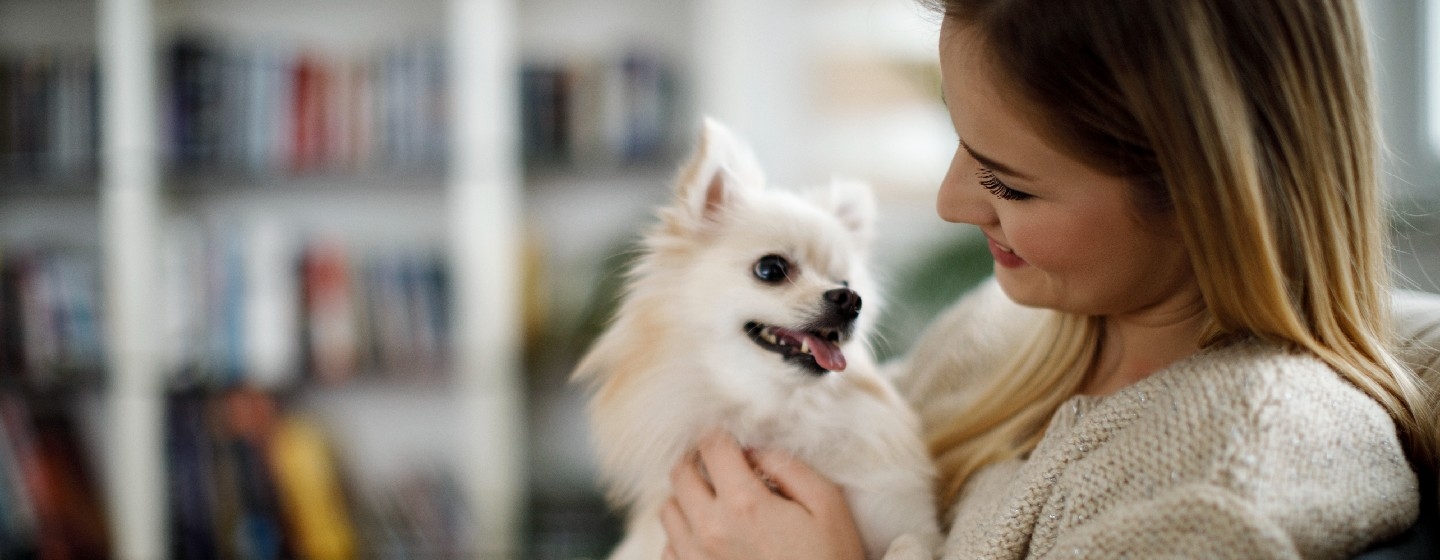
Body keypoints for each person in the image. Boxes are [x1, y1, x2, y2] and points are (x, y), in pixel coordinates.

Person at [657, 0, 1440, 558]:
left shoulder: (1231, 479)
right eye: (962, 142)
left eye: (1009, 183)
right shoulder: (988, 335)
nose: (950, 202)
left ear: (1209, 197)